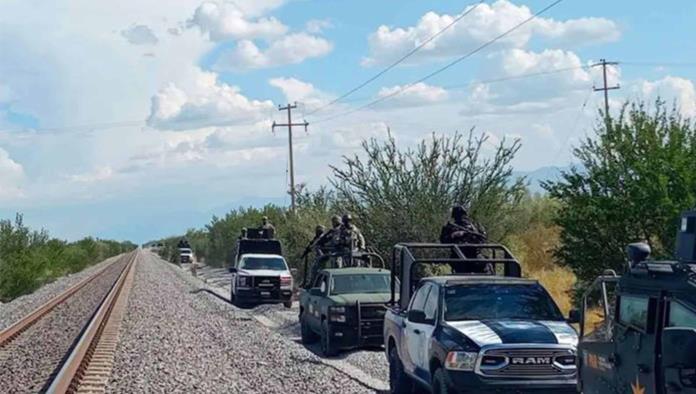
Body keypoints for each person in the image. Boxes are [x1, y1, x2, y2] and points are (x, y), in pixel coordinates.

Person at [440, 204, 490, 273]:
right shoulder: (450, 227)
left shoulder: (475, 226)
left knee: (485, 264)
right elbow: (443, 241)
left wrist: (472, 236)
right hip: (459, 256)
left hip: (475, 255)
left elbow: (483, 239)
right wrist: (454, 235)